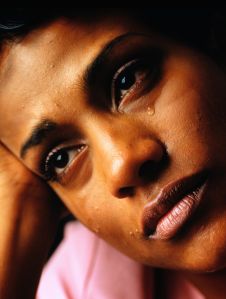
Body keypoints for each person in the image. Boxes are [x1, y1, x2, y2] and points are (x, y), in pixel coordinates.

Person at [0, 7, 226, 299]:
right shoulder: (78, 283)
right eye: (61, 159)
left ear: (209, 43)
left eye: (127, 80)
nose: (122, 164)